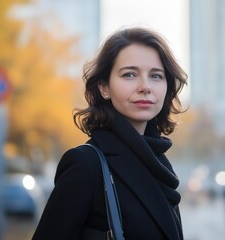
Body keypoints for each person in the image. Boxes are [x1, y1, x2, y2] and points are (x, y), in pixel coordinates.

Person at [32, 27, 188, 240]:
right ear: (104, 87)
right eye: (129, 74)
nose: (145, 86)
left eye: (156, 76)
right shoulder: (85, 164)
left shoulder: (159, 164)